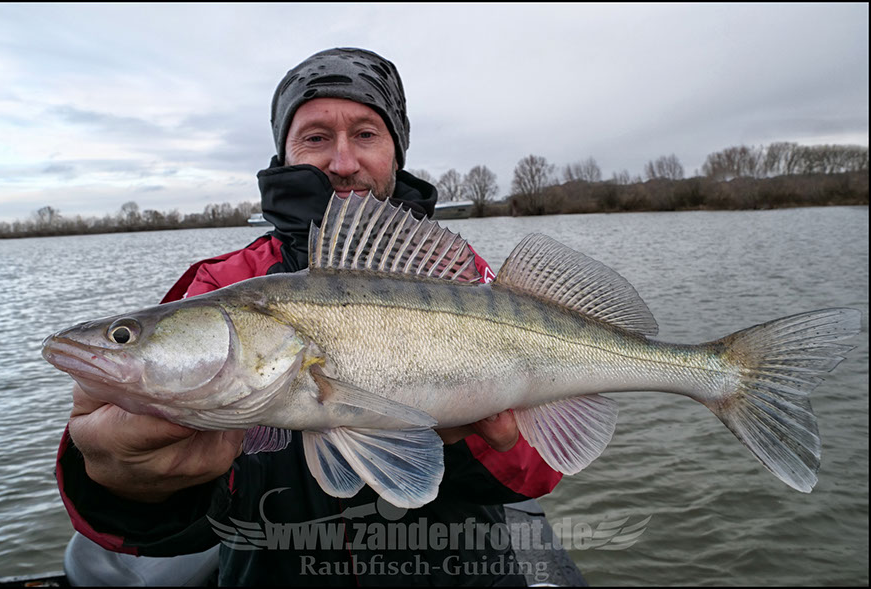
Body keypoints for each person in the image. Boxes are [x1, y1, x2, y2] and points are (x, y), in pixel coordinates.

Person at [56, 47, 563, 586]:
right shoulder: (220, 286)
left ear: (396, 151)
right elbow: (153, 525)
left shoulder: (461, 280)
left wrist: (466, 434)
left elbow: (540, 470)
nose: (343, 162)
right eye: (316, 137)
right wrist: (127, 484)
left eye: (366, 134)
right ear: (285, 155)